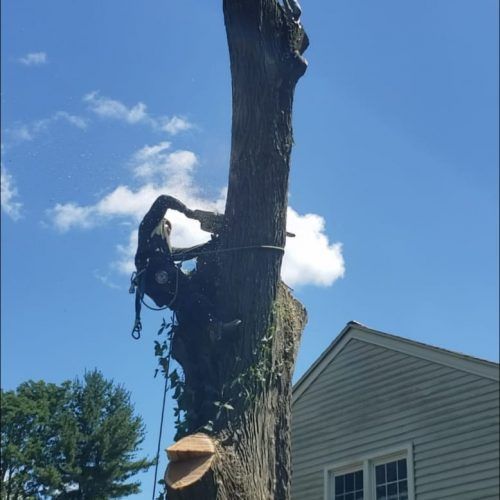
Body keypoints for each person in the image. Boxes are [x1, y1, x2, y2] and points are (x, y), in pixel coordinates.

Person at [134, 195, 240, 337]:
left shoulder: (165, 252)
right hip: (155, 273)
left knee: (187, 299)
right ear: (161, 224)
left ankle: (207, 328)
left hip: (155, 282)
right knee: (188, 293)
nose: (169, 233)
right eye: (167, 228)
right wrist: (189, 212)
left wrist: (210, 246)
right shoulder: (148, 227)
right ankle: (214, 327)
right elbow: (163, 200)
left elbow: (187, 252)